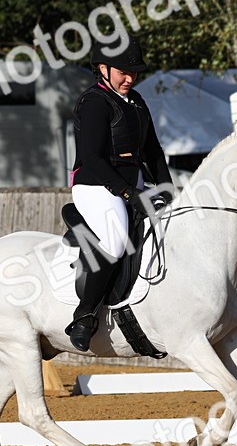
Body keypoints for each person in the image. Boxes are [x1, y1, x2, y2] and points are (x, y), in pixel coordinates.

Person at [64, 37, 174, 351]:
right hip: (96, 186)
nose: (130, 78)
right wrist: (128, 193)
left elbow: (153, 151)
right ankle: (85, 315)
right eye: (123, 72)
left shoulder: (136, 101)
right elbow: (92, 158)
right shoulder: (94, 102)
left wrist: (167, 189)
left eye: (134, 72)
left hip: (133, 185)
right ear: (103, 68)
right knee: (115, 241)